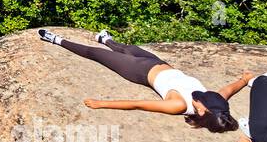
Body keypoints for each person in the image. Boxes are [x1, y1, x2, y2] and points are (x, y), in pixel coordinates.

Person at [38, 28, 242, 132]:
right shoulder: (214, 102)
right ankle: (106, 38)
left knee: (96, 54)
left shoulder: (178, 104)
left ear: (201, 111)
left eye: (202, 99)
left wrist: (101, 104)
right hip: (159, 62)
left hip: (139, 71)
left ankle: (56, 39)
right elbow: (228, 90)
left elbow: (137, 104)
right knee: (129, 48)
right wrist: (245, 79)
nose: (203, 95)